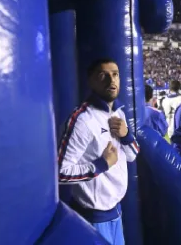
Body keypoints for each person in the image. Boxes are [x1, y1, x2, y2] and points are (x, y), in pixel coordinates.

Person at [58, 58, 140, 244]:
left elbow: (132, 155)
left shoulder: (119, 113)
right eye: (103, 75)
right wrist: (101, 164)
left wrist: (126, 136)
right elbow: (59, 173)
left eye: (115, 74)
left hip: (116, 212)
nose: (111, 80)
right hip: (92, 218)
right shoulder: (82, 120)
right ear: (91, 81)